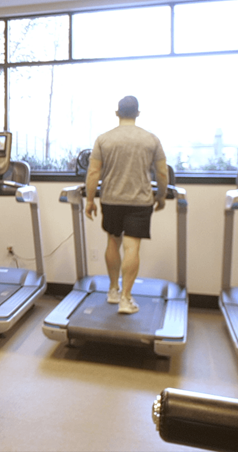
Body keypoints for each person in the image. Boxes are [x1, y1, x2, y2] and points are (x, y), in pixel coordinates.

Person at [84, 95, 168, 316]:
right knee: (132, 247)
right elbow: (161, 172)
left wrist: (90, 200)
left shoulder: (104, 139)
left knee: (113, 242)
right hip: (140, 201)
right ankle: (125, 299)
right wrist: (160, 196)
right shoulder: (151, 139)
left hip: (111, 200)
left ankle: (113, 290)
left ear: (117, 113)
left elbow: (93, 172)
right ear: (138, 113)